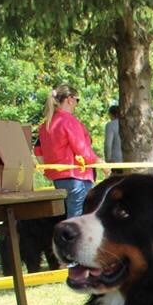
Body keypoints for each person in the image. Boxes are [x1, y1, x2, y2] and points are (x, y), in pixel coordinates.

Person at [34, 84, 104, 218]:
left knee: (71, 216)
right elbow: (83, 151)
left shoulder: (46, 125)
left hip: (59, 179)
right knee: (80, 219)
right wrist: (100, 163)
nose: (76, 104)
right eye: (77, 100)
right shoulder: (69, 121)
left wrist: (49, 170)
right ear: (69, 99)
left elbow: (38, 151)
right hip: (77, 177)